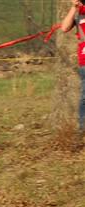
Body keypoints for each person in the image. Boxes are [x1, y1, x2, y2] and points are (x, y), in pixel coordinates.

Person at [61, 0, 85, 131]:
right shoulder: (79, 14)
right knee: (84, 97)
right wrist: (74, 7)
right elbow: (64, 27)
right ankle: (83, 130)